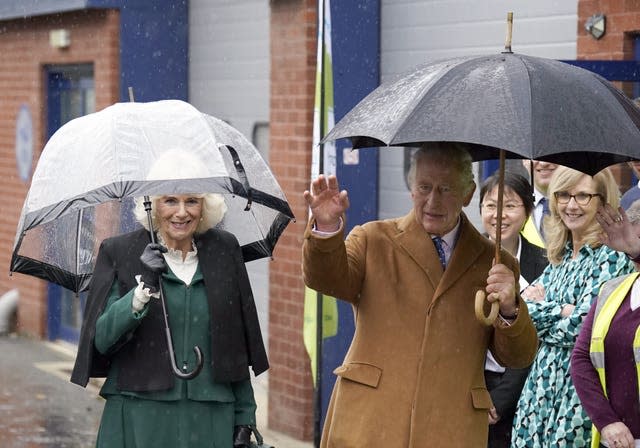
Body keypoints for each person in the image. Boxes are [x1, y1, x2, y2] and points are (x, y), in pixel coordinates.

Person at [302, 143, 538, 447]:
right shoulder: (373, 239)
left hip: (451, 427)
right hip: (372, 421)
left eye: (446, 189)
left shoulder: (496, 263)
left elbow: (518, 355)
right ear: (412, 188)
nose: (432, 200)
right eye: (424, 187)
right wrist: (325, 228)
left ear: (468, 194)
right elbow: (327, 280)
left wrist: (510, 308)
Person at [70, 151, 269, 448]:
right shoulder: (120, 252)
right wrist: (142, 290)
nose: (181, 212)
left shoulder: (224, 250)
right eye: (170, 201)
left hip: (211, 414)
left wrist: (245, 416)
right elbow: (102, 339)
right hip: (141, 413)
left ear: (205, 207)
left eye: (192, 201)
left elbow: (236, 342)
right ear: (153, 205)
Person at [511, 166, 635, 447]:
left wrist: (543, 306)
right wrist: (560, 309)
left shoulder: (612, 257)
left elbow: (584, 327)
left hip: (578, 395)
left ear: (602, 202)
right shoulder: (559, 257)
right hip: (539, 390)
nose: (571, 204)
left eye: (582, 196)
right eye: (563, 195)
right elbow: (523, 311)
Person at [479, 172, 547, 448]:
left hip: (522, 391)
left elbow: (536, 338)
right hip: (470, 385)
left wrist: (502, 399)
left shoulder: (543, 264)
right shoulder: (464, 258)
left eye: (509, 206)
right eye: (491, 205)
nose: (499, 215)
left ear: (528, 211)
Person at [570, 199, 640, 448]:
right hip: (616, 440)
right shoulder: (612, 289)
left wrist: (635, 250)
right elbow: (580, 358)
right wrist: (607, 421)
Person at [520, 159, 559, 248]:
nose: (544, 163)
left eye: (551, 155)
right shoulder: (513, 207)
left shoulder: (582, 206)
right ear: (525, 160)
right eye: (537, 156)